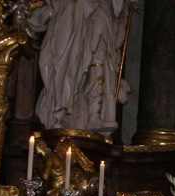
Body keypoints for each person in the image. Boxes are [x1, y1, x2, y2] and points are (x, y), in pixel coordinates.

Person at [28, 0, 133, 133]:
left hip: (100, 9)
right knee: (68, 65)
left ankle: (94, 115)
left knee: (100, 54)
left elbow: (118, 11)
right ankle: (60, 112)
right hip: (72, 12)